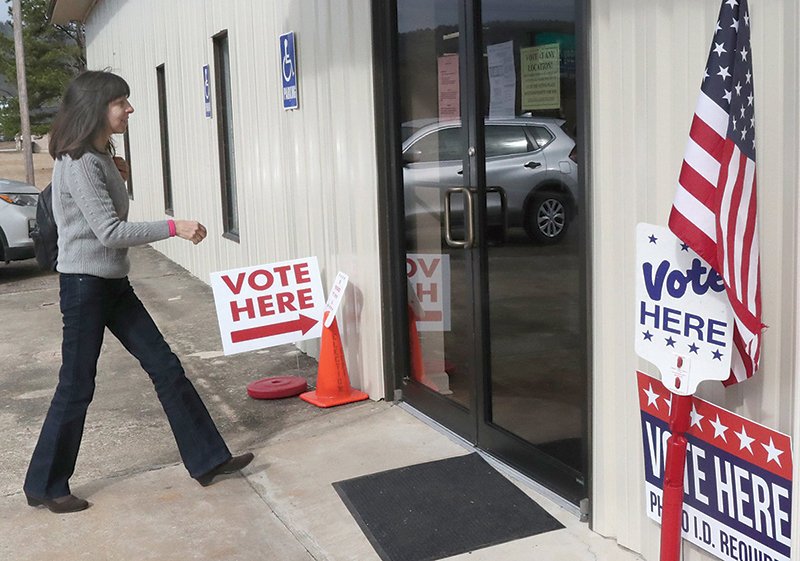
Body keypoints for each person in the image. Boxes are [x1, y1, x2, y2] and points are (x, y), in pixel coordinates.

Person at [23, 70, 252, 514]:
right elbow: (109, 231)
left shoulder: (100, 154)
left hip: (111, 283)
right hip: (85, 287)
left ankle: (208, 459)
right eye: (120, 102)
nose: (129, 109)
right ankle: (45, 484)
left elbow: (105, 214)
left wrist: (119, 172)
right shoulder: (80, 161)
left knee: (165, 366)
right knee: (76, 385)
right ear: (96, 107)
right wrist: (175, 227)